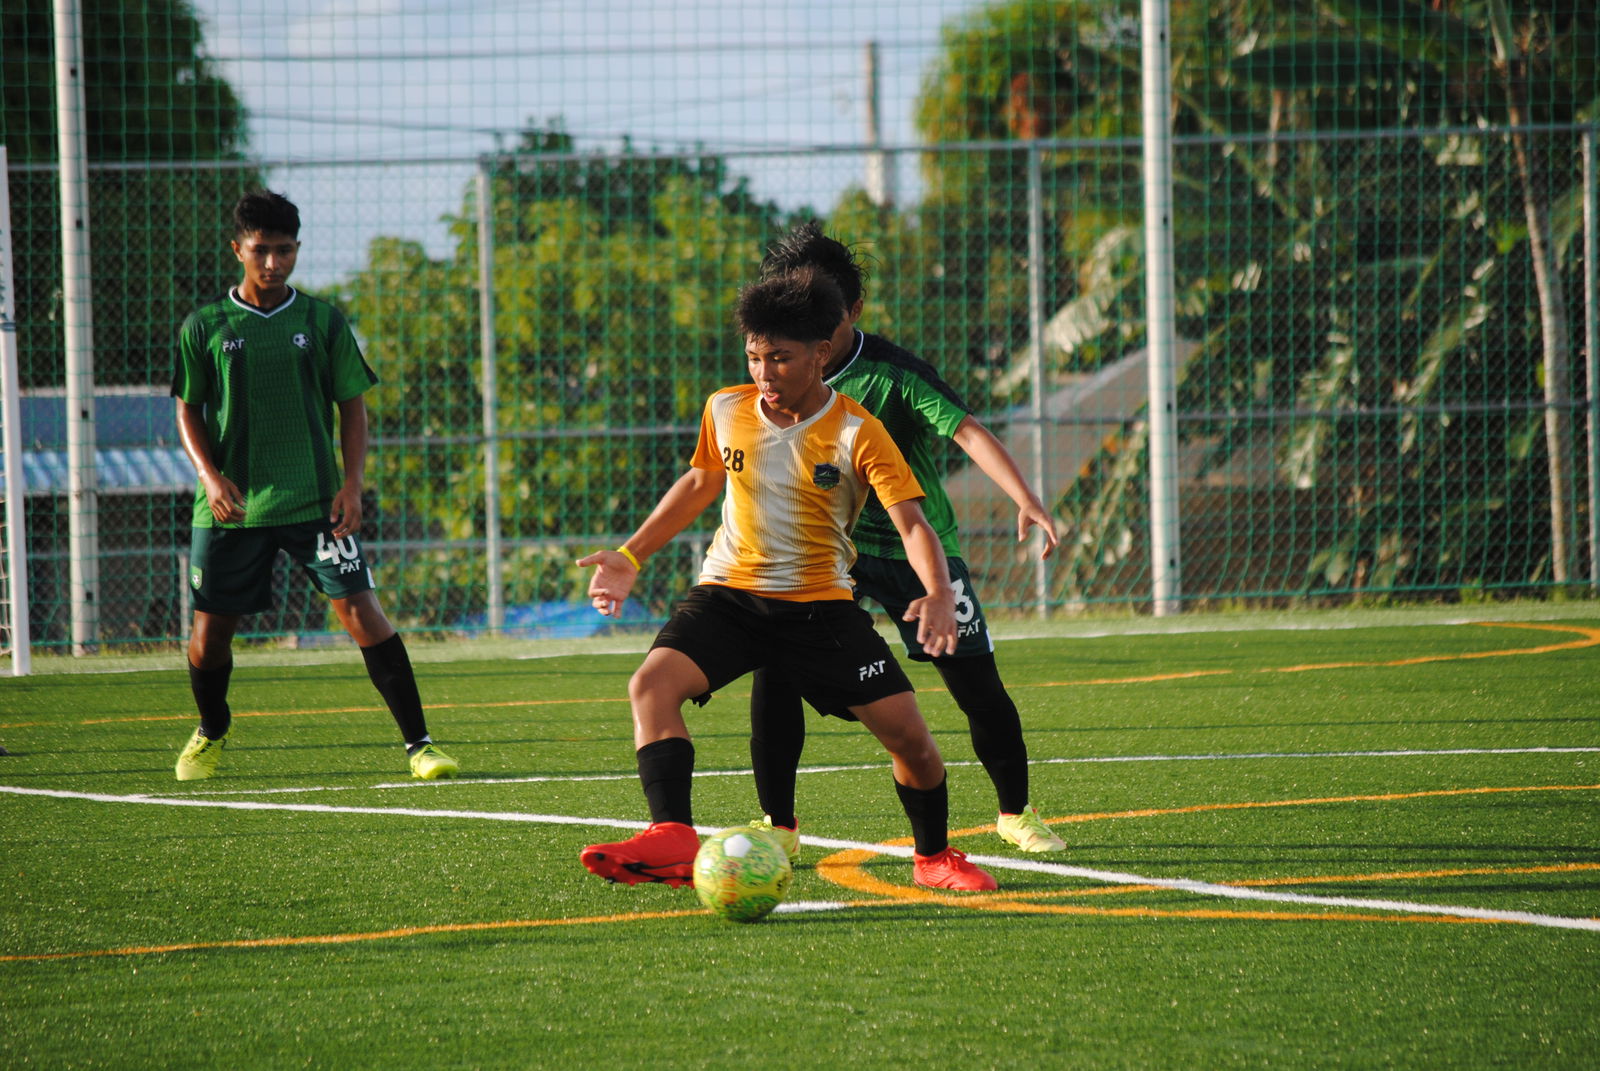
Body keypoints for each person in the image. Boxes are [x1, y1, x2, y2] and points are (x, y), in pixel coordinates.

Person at [576, 268, 997, 892]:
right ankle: (673, 835)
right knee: (650, 686)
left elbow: (913, 524)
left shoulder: (858, 431)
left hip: (820, 610)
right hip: (729, 596)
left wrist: (936, 593)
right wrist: (629, 556)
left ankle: (933, 858)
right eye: (754, 357)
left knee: (912, 743)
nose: (764, 373)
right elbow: (700, 483)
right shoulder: (725, 408)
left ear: (821, 353)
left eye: (780, 358)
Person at [746, 221, 1064, 857]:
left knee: (978, 688)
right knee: (775, 671)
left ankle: (1014, 812)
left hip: (917, 550)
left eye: (823, 311)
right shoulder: (774, 373)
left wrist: (1025, 497)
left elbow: (967, 430)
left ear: (853, 310)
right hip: (828, 554)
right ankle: (777, 825)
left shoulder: (895, 374)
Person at [169, 190, 458, 782]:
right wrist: (210, 476)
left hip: (316, 501)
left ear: (297, 249)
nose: (273, 263)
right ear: (238, 250)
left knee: (364, 614)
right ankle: (212, 728)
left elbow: (352, 406)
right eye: (261, 251)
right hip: (233, 507)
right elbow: (187, 408)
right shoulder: (205, 325)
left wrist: (352, 484)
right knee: (209, 637)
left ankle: (421, 746)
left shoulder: (322, 321)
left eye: (284, 250)